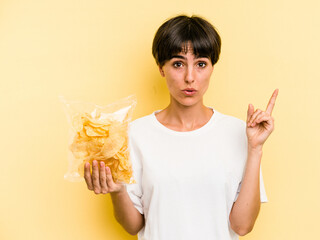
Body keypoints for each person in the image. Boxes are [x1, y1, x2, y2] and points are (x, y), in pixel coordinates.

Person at [83, 14, 278, 239]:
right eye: (178, 64)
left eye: (201, 64)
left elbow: (242, 226)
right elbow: (133, 226)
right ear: (161, 68)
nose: (190, 77)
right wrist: (117, 192)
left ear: (212, 67)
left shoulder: (239, 132)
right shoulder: (136, 134)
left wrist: (255, 149)